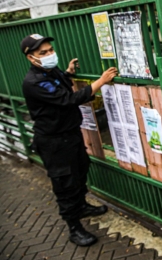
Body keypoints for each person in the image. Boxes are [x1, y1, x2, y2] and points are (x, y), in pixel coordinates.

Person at [21, 34, 118, 247]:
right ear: (31, 58)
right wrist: (101, 81)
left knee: (81, 171)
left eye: (50, 50)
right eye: (43, 53)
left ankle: (82, 206)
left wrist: (68, 72)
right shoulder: (33, 82)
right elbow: (68, 99)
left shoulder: (50, 71)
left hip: (71, 135)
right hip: (54, 143)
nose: (49, 55)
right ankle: (74, 227)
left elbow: (60, 84)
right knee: (65, 185)